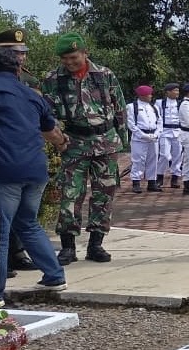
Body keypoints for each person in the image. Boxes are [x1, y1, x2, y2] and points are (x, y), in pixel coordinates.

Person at [0, 48, 69, 296]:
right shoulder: (32, 95)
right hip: (35, 170)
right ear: (19, 69)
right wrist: (63, 144)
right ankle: (54, 275)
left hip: (3, 169)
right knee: (28, 223)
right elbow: (51, 131)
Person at [41, 32, 128, 265]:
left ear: (85, 53)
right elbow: (45, 115)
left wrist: (123, 140)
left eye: (73, 57)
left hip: (106, 141)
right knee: (70, 193)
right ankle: (68, 246)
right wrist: (57, 140)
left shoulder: (105, 75)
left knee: (104, 193)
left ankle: (96, 244)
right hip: (74, 142)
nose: (69, 63)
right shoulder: (53, 79)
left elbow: (120, 107)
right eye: (64, 59)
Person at [0, 28, 39, 275]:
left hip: (24, 153)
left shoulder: (25, 79)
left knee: (20, 215)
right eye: (15, 52)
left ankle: (16, 254)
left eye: (23, 52)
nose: (21, 57)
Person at [126, 85, 161, 193]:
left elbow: (159, 121)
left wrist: (157, 133)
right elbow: (131, 123)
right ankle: (136, 182)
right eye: (149, 94)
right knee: (138, 160)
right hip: (139, 137)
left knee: (153, 159)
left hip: (153, 136)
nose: (151, 96)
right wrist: (142, 135)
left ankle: (152, 182)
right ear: (142, 95)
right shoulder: (132, 107)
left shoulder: (154, 107)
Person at [155, 83, 184, 190]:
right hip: (165, 131)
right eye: (174, 90)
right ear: (168, 92)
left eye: (178, 90)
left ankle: (175, 178)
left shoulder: (181, 103)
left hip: (178, 131)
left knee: (178, 155)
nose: (177, 92)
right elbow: (157, 117)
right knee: (164, 155)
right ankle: (159, 176)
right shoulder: (159, 103)